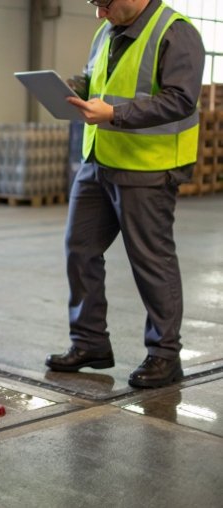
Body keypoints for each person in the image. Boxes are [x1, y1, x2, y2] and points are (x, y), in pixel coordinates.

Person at [45, 0, 205, 388]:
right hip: (98, 158)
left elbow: (180, 99)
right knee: (79, 249)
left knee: (151, 261)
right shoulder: (106, 31)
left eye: (104, 4)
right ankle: (90, 342)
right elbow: (94, 77)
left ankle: (165, 356)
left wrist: (114, 114)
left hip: (147, 167)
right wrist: (74, 88)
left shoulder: (176, 32)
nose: (99, 14)